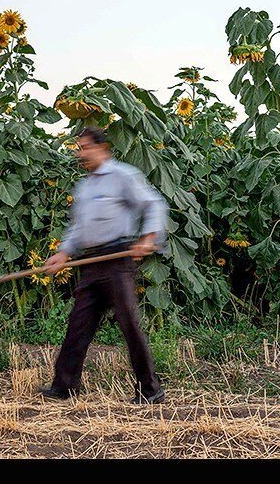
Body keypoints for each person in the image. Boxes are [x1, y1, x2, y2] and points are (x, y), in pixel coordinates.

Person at [38, 125, 168, 404]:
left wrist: (148, 237)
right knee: (78, 324)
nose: (81, 154)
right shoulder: (84, 186)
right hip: (91, 262)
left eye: (85, 148)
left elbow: (154, 204)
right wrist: (63, 253)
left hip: (117, 260)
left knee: (129, 325)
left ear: (102, 149)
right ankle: (64, 387)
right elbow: (79, 227)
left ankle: (150, 390)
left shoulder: (122, 176)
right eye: (79, 149)